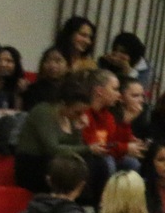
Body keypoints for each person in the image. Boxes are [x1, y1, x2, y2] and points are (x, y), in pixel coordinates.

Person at [14, 75, 107, 203]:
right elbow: (52, 148)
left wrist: (78, 130)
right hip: (33, 164)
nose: (81, 116)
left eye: (83, 113)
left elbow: (76, 146)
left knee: (98, 163)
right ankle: (80, 202)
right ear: (63, 104)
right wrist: (88, 149)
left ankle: (94, 203)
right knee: (72, 165)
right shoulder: (43, 112)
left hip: (55, 161)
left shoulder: (70, 118)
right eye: (77, 112)